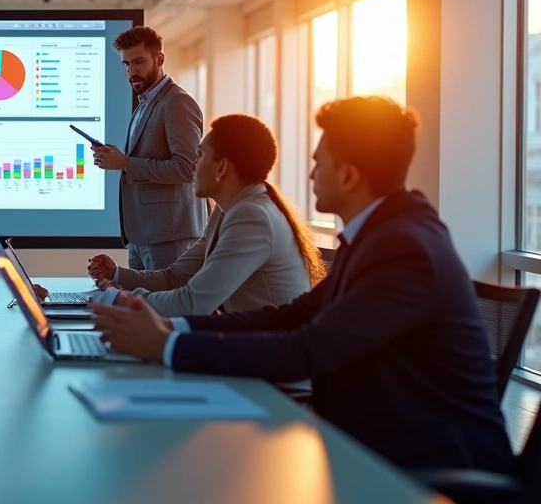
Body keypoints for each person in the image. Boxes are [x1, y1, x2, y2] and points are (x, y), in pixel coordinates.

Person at [91, 96, 513, 472]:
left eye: (318, 163)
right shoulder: (382, 233)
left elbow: (309, 348)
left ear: (348, 176)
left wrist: (167, 345)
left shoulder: (404, 248)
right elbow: (298, 314)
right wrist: (173, 330)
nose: (310, 174)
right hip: (385, 439)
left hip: (437, 466)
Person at [82, 114, 325, 316]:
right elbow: (175, 278)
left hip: (268, 364)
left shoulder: (252, 218)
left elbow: (193, 303)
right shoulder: (227, 210)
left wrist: (119, 299)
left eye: (200, 156)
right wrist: (117, 275)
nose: (193, 166)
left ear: (222, 167)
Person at [89, 26, 209, 271]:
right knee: (142, 306)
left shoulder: (177, 102)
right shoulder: (146, 102)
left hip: (171, 236)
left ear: (160, 59)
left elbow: (188, 169)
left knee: (164, 308)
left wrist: (125, 163)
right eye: (126, 65)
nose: (131, 72)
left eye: (139, 62)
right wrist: (118, 158)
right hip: (143, 235)